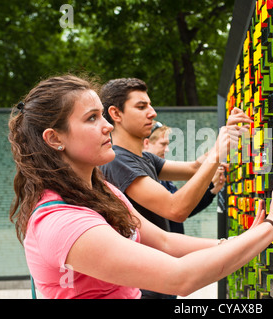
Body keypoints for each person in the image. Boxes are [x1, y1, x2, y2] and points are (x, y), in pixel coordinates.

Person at [9, 74, 273, 299]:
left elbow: (166, 241)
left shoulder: (103, 191)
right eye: (92, 118)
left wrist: (236, 241)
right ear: (54, 138)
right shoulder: (62, 221)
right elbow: (180, 275)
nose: (106, 126)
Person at [99, 77, 250, 298]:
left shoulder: (145, 158)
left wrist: (225, 134)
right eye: (141, 107)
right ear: (115, 114)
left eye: (150, 105)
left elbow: (194, 167)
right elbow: (175, 209)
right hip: (143, 286)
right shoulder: (118, 161)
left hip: (159, 279)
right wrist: (218, 152)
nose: (152, 113)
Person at [143, 120, 225, 235]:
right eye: (163, 144)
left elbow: (185, 208)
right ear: (146, 143)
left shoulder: (161, 176)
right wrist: (218, 149)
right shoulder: (143, 177)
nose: (167, 149)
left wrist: (212, 189)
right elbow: (175, 210)